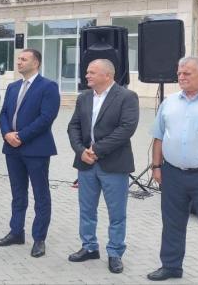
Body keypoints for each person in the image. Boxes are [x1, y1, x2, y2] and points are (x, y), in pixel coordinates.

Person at [66, 59, 139, 274]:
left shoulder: (127, 97)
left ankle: (115, 252)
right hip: (86, 163)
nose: (86, 75)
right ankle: (89, 247)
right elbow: (73, 126)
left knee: (117, 213)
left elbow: (126, 128)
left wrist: (96, 150)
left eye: (91, 72)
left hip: (114, 164)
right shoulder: (84, 97)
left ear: (107, 75)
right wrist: (81, 151)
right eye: (87, 72)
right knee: (87, 209)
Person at [147, 57, 198, 284]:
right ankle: (171, 266)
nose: (181, 77)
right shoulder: (170, 102)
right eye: (179, 74)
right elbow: (158, 136)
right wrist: (156, 166)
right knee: (172, 223)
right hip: (173, 174)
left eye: (187, 73)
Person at [0, 49, 60, 257]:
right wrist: (7, 134)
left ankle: (39, 239)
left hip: (36, 149)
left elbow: (46, 118)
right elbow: (4, 113)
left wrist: (21, 136)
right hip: (12, 149)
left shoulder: (48, 87)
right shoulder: (13, 87)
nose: (19, 62)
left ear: (36, 63)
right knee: (18, 193)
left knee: (41, 195)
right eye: (18, 59)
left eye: (24, 59)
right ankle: (16, 232)